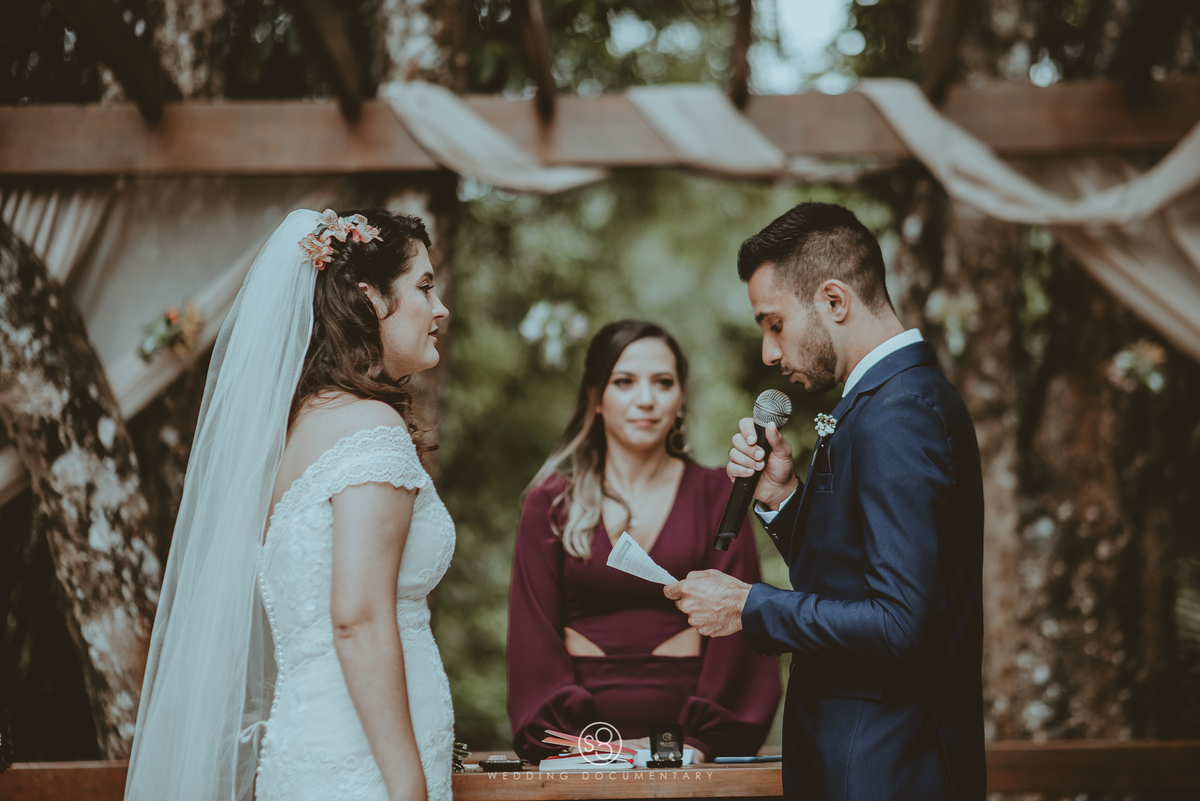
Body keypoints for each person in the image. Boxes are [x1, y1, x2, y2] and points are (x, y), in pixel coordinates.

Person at [124, 208, 455, 801]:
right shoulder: (370, 428)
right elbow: (357, 618)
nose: (440, 310)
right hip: (369, 766)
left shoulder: (296, 432)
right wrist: (407, 786)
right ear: (369, 299)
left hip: (311, 743)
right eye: (424, 287)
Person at [665, 203, 986, 800]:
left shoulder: (899, 415)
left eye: (774, 323)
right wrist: (784, 498)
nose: (768, 351)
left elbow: (899, 625)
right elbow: (854, 581)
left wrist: (748, 605)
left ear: (834, 301)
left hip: (886, 768)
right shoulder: (884, 402)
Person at [507, 320, 780, 763]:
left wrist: (695, 743)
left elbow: (738, 626)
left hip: (696, 753)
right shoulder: (550, 503)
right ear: (595, 398)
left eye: (663, 382)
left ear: (681, 398)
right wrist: (588, 748)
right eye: (624, 382)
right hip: (579, 751)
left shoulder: (718, 495)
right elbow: (531, 638)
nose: (646, 399)